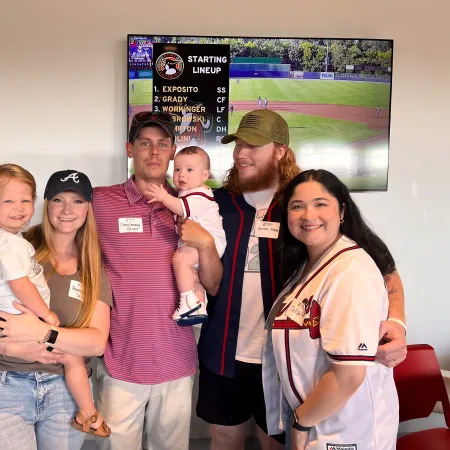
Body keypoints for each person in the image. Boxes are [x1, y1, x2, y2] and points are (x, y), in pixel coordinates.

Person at [196, 109, 407, 450]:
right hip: (221, 354)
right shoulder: (216, 203)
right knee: (224, 438)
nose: (240, 154)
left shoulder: (302, 207)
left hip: (283, 361)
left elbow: (384, 268)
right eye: (238, 145)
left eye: (253, 146)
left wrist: (396, 320)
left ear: (280, 151)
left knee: (276, 442)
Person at [93, 111, 223, 450]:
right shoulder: (101, 201)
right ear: (129, 149)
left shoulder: (195, 206)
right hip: (121, 360)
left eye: (162, 144)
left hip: (177, 359)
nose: (154, 152)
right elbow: (57, 231)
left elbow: (213, 285)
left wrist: (206, 243)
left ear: (172, 151)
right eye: (145, 144)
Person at [263, 169, 399, 449]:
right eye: (297, 206)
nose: (308, 215)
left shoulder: (350, 272)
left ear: (342, 212)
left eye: (320, 204)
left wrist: (301, 422)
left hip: (345, 431)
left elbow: (348, 375)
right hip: (316, 420)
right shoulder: (307, 265)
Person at [0, 169, 113, 450]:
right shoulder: (16, 248)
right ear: (46, 204)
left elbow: (97, 343)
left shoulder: (94, 267)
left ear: (89, 208)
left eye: (77, 201)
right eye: (58, 200)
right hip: (8, 386)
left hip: (67, 392)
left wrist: (43, 331)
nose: (67, 209)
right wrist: (8, 348)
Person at [145, 146, 226, 326]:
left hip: (209, 241)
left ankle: (187, 300)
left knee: (180, 260)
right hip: (198, 243)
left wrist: (163, 196)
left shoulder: (199, 194)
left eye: (189, 170)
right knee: (193, 276)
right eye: (177, 169)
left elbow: (181, 208)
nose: (182, 175)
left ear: (205, 175)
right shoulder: (189, 192)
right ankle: (197, 306)